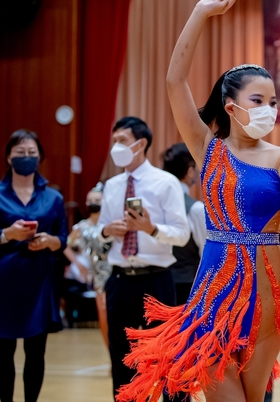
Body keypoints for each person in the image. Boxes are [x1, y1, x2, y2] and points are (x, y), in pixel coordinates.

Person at [115, 0, 280, 402]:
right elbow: (174, 81)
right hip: (213, 293)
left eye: (273, 101)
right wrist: (199, 13)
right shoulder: (207, 148)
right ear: (230, 105)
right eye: (258, 100)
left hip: (267, 297)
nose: (269, 108)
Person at [98, 117, 190, 400]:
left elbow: (182, 234)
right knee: (121, 360)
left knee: (166, 358)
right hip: (119, 278)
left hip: (156, 280)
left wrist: (150, 229)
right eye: (114, 140)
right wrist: (107, 230)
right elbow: (100, 230)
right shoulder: (111, 185)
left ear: (141, 144)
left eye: (122, 141)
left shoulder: (165, 183)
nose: (116, 147)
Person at [0, 129, 68, 402]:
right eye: (20, 152)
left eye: (31, 153)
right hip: (4, 282)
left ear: (40, 157)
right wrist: (7, 235)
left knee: (36, 351)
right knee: (3, 353)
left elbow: (63, 239)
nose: (26, 157)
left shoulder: (54, 198)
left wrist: (49, 241)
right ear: (8, 157)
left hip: (39, 281)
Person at [63, 184, 111, 348]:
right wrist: (79, 265)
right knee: (103, 314)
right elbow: (66, 245)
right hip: (97, 275)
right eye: (89, 200)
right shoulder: (81, 227)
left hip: (116, 272)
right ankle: (110, 351)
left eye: (97, 200)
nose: (92, 203)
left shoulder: (110, 224)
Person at [162, 143, 207, 305]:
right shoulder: (196, 209)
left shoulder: (157, 203)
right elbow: (205, 252)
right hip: (188, 284)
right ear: (189, 171)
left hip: (159, 281)